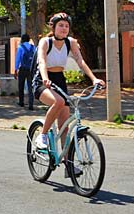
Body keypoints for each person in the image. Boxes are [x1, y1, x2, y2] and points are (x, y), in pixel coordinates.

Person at [33, 13, 105, 154]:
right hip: (42, 79)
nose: (64, 28)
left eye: (66, 26)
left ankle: (67, 163)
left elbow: (80, 61)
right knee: (58, 102)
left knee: (64, 126)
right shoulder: (45, 42)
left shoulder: (70, 42)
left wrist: (94, 78)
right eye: (60, 25)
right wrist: (45, 77)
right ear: (53, 27)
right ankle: (42, 136)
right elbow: (42, 61)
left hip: (59, 79)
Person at [14, 33, 36, 110]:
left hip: (23, 68)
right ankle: (31, 104)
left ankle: (21, 102)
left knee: (21, 85)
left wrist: (15, 69)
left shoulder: (20, 47)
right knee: (30, 87)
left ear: (22, 39)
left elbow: (18, 59)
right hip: (31, 69)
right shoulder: (33, 47)